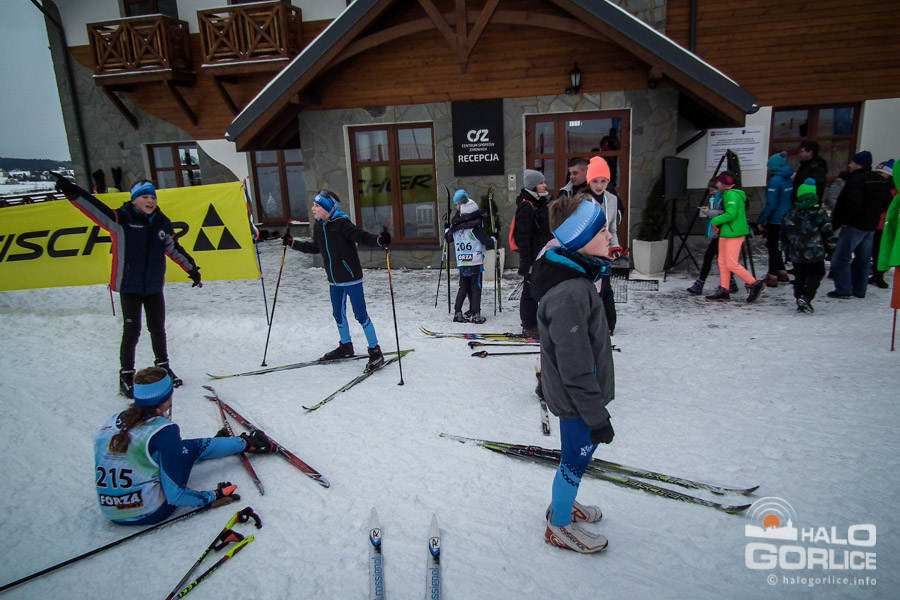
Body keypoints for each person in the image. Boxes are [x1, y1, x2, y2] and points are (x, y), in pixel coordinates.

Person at [54, 174, 201, 398]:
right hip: (129, 285)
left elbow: (173, 248)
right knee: (133, 330)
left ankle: (163, 367)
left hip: (153, 286)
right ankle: (126, 375)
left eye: (153, 197)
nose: (150, 201)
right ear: (134, 200)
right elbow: (95, 209)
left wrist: (192, 269)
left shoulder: (162, 223)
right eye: (144, 197)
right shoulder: (121, 219)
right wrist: (73, 192)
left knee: (158, 328)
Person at [529, 197, 615, 554]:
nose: (610, 236)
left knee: (577, 456)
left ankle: (564, 503)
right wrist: (597, 417)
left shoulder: (576, 279)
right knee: (575, 459)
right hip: (578, 400)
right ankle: (559, 524)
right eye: (602, 230)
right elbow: (575, 367)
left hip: (581, 397)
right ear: (580, 238)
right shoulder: (570, 293)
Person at [94, 367, 273, 525]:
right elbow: (175, 495)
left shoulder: (111, 423)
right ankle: (247, 444)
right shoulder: (164, 432)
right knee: (190, 449)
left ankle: (225, 443)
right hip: (151, 512)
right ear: (166, 397)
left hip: (111, 512)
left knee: (176, 450)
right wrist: (212, 496)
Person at [284, 190, 391, 372]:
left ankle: (375, 351)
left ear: (327, 208)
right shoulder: (319, 226)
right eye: (314, 205)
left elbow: (361, 236)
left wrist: (380, 240)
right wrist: (292, 243)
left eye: (317, 205)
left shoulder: (342, 224)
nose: (313, 208)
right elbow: (315, 248)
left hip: (351, 279)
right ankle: (346, 346)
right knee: (338, 314)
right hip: (334, 281)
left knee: (360, 315)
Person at [827, 152, 893, 299]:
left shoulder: (856, 180)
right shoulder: (880, 180)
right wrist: (874, 214)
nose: (849, 165)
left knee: (840, 258)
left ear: (859, 165)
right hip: (870, 225)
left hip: (854, 225)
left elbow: (850, 204)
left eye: (852, 162)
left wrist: (841, 221)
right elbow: (887, 200)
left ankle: (844, 289)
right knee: (863, 259)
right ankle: (859, 289)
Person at [705, 172, 766, 303]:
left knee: (731, 264)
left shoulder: (731, 194)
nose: (717, 184)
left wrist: (715, 221)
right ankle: (724, 290)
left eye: (718, 182)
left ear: (724, 183)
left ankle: (754, 284)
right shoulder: (728, 193)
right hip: (727, 232)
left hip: (734, 233)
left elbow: (731, 214)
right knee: (722, 262)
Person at [780, 178, 835, 313]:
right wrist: (831, 247)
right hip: (815, 250)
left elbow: (784, 232)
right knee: (818, 272)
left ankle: (800, 299)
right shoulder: (819, 212)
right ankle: (806, 297)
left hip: (796, 251)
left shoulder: (791, 212)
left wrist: (786, 249)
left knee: (800, 276)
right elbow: (827, 231)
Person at [584, 156, 623, 334]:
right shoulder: (582, 200)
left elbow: (612, 228)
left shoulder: (612, 199)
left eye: (603, 181)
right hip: (588, 251)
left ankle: (608, 325)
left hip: (605, 251)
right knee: (589, 288)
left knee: (605, 288)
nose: (599, 185)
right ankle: (587, 322)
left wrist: (614, 247)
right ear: (589, 181)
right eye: (595, 181)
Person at [513, 169, 553, 337]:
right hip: (533, 257)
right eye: (541, 182)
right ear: (532, 185)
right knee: (529, 291)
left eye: (544, 182)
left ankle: (540, 321)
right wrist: (526, 262)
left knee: (541, 288)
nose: (545, 185)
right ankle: (529, 326)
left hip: (543, 254)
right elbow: (523, 236)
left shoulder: (539, 202)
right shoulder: (526, 206)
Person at [445, 190, 495, 324]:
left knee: (463, 287)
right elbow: (486, 241)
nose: (456, 207)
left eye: (457, 204)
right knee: (476, 288)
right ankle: (476, 313)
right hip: (475, 261)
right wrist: (493, 239)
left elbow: (448, 238)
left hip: (462, 262)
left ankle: (458, 312)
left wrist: (447, 229)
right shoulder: (476, 227)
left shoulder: (456, 227)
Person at [687, 178, 737, 296]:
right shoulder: (717, 199)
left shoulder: (724, 198)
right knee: (722, 259)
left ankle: (700, 284)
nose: (711, 193)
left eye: (712, 190)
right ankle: (731, 283)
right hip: (718, 232)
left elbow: (725, 214)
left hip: (721, 232)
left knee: (709, 257)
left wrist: (709, 212)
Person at [758, 152, 794, 287]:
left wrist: (762, 219)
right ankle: (782, 272)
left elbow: (771, 203)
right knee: (773, 245)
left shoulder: (774, 181)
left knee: (772, 246)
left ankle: (772, 276)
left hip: (776, 218)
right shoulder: (787, 178)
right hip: (786, 216)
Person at [870, 160, 896, 289]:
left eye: (882, 172)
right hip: (875, 222)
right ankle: (876, 273)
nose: (879, 174)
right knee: (875, 250)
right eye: (878, 172)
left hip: (885, 224)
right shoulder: (879, 185)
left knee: (880, 251)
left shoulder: (894, 189)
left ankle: (878, 274)